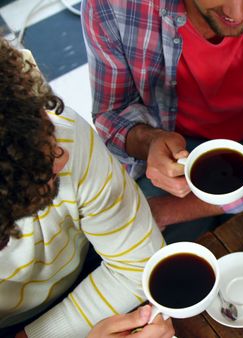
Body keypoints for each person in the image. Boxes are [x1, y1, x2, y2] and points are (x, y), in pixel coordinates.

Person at [81, 0, 243, 242]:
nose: (237, 14)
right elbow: (111, 113)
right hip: (170, 149)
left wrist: (174, 210)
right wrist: (150, 142)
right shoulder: (112, 5)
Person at [0, 40, 173, 337]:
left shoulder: (48, 129)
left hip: (95, 264)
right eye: (34, 172)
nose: (62, 156)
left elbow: (137, 266)